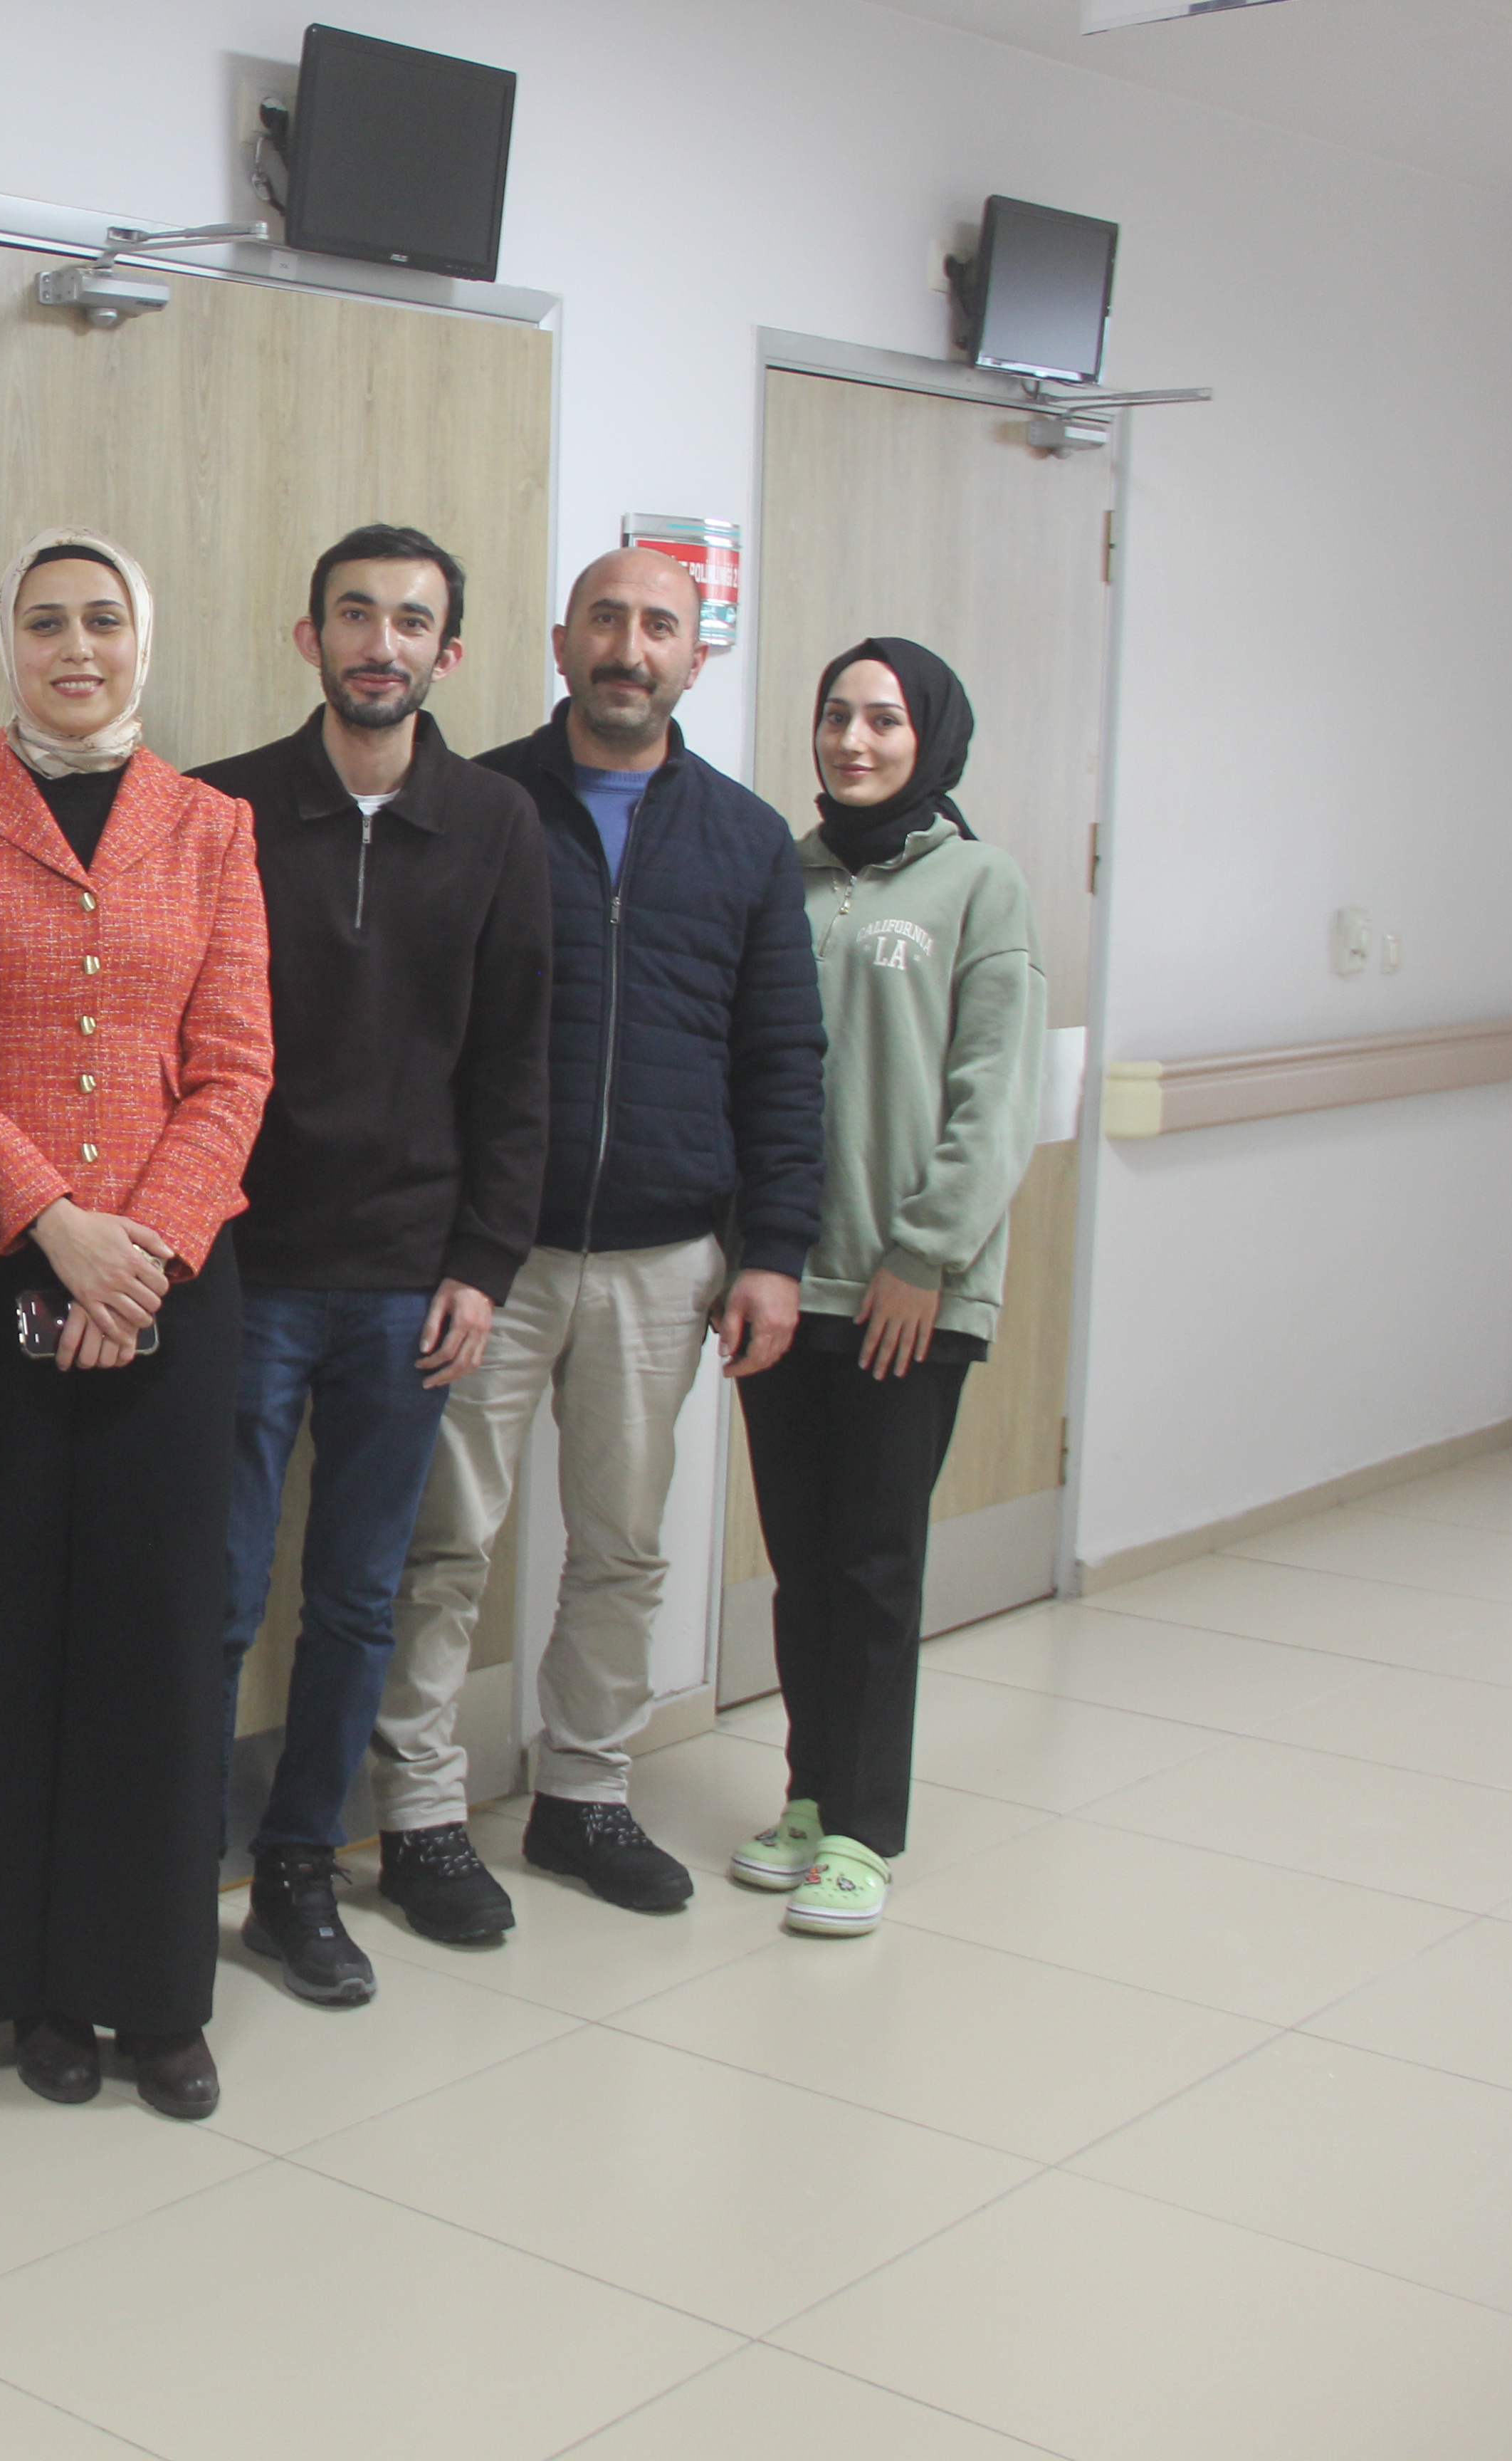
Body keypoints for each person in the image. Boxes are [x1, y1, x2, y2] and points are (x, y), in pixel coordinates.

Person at [0, 528, 273, 2121]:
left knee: (163, 1638)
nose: (77, 649)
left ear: (143, 642)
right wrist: (54, 1227)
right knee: (15, 1626)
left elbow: (234, 1063)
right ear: (9, 644)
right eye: (46, 623)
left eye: (104, 621)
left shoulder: (213, 826)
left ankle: (159, 1989)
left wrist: (144, 1253)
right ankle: (31, 1982)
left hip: (174, 1283)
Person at [370, 548, 824, 1923]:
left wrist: (774, 1251)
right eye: (608, 620)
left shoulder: (746, 840)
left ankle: (583, 1794)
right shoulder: (479, 805)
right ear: (561, 641)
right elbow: (417, 1032)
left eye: (661, 626)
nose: (632, 648)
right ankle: (420, 1813)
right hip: (486, 1261)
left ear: (697, 655)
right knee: (445, 1544)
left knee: (623, 1546)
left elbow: (783, 1058)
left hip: (664, 1259)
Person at [189, 525, 551, 1997]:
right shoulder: (218, 809)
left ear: (446, 653)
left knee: (355, 1598)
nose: (380, 643)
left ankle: (297, 1873)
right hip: (246, 1270)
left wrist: (485, 1260)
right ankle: (170, 1879)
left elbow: (518, 1065)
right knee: (217, 1597)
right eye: (355, 615)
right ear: (311, 637)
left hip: (409, 1282)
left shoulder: (497, 826)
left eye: (410, 621)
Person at [730, 639, 1042, 1938]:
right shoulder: (785, 874)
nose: (854, 741)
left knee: (874, 1563)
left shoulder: (981, 883)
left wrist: (926, 1255)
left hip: (908, 1290)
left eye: (885, 720)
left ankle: (864, 1829)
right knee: (803, 1562)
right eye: (837, 716)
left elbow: (998, 1090)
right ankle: (810, 1798)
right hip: (786, 1284)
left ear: (932, 739)